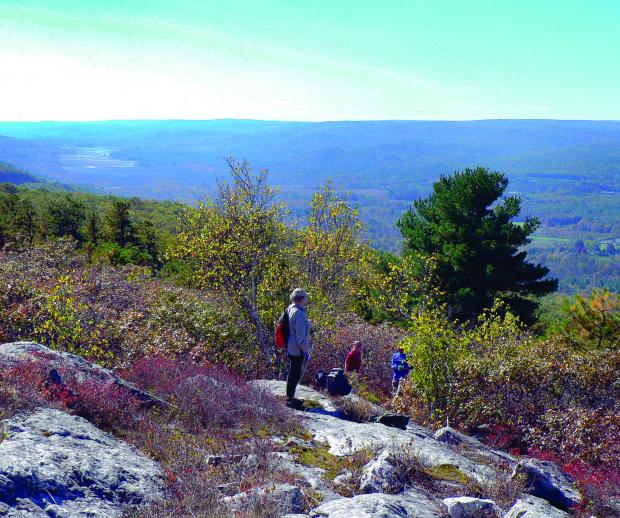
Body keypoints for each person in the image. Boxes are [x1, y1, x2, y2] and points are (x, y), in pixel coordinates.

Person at [285, 288, 311, 408]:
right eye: (305, 297)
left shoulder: (290, 308)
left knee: (292, 372)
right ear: (301, 299)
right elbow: (301, 338)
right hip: (297, 348)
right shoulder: (299, 314)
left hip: (290, 346)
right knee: (295, 373)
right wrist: (306, 353)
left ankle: (290, 397)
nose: (307, 299)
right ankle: (290, 400)